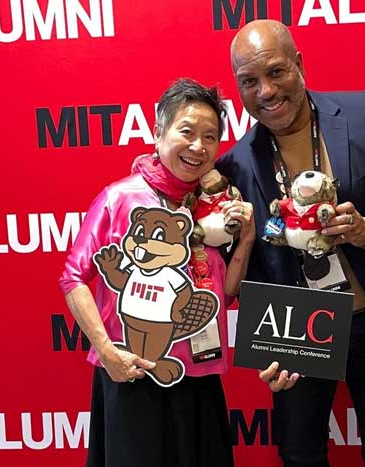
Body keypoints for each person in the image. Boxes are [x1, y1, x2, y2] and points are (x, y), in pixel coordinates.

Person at [216, 20, 365, 467]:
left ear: (299, 64)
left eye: (276, 72)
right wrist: (267, 347)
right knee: (298, 454)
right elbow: (247, 267)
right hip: (298, 330)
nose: (265, 91)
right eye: (249, 81)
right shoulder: (234, 165)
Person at [59, 78, 255, 467]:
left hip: (198, 376)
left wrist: (245, 239)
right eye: (187, 131)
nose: (198, 146)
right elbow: (73, 277)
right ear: (158, 132)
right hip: (132, 375)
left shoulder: (214, 208)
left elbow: (225, 294)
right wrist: (106, 351)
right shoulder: (120, 198)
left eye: (210, 136)